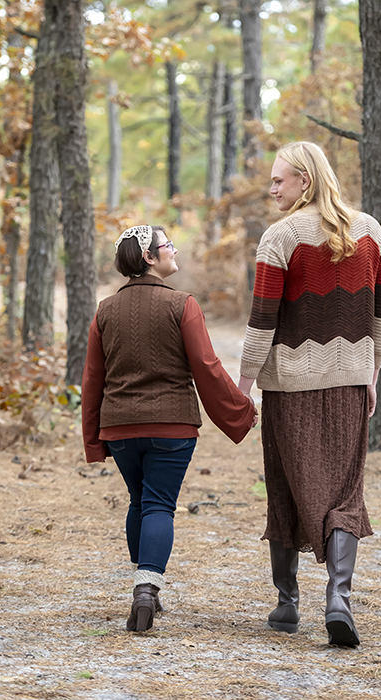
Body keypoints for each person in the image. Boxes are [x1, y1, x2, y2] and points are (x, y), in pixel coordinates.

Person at [238, 141, 381, 646]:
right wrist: (371, 372)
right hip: (350, 383)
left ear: (305, 180)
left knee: (285, 485)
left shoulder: (279, 238)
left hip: (291, 388)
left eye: (279, 179)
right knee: (346, 491)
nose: (272, 187)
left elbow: (262, 321)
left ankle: (286, 605)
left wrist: (243, 383)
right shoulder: (369, 231)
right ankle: (339, 597)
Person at [82, 224, 257, 632]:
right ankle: (147, 589)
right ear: (148, 257)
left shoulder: (105, 310)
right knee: (159, 504)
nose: (173, 249)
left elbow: (93, 379)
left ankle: (144, 584)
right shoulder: (182, 304)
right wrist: (241, 410)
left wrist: (94, 439)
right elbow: (208, 368)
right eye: (166, 245)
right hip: (172, 426)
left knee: (139, 501)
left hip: (120, 427)